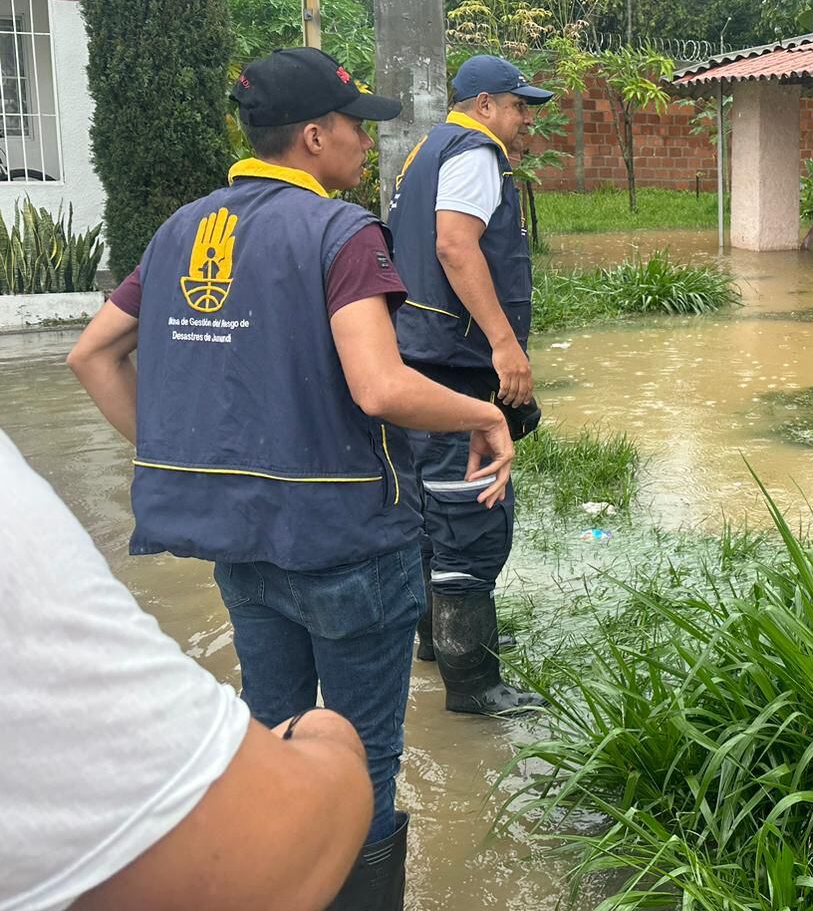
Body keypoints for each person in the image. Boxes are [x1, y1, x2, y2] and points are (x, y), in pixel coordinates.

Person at [67, 47, 517, 908]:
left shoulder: (179, 230)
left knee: (270, 739)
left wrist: (190, 456)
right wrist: (482, 415)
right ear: (314, 136)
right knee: (363, 765)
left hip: (241, 548)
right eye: (355, 127)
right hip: (349, 545)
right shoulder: (341, 233)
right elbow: (379, 387)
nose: (364, 144)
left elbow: (92, 356)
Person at [0, 429, 372, 911]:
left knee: (264, 718)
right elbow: (378, 394)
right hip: (347, 528)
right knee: (367, 751)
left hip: (239, 535)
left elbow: (106, 379)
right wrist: (326, 730)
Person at [386, 54, 549, 715]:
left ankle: (435, 643)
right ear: (484, 105)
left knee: (431, 514)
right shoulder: (476, 152)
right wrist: (506, 345)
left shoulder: (423, 152)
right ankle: (475, 686)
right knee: (470, 516)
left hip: (415, 364)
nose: (526, 120)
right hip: (456, 367)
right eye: (518, 107)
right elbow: (455, 246)